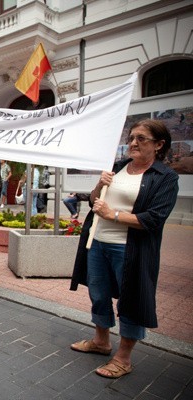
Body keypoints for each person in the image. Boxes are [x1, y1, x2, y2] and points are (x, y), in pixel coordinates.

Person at [70, 119, 178, 379]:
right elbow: (96, 200)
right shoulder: (117, 167)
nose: (133, 143)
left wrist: (114, 214)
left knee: (132, 300)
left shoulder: (165, 177)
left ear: (159, 144)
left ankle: (124, 358)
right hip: (98, 243)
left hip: (130, 248)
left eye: (141, 138)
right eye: (131, 138)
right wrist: (99, 184)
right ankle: (101, 341)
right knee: (98, 292)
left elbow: (154, 218)